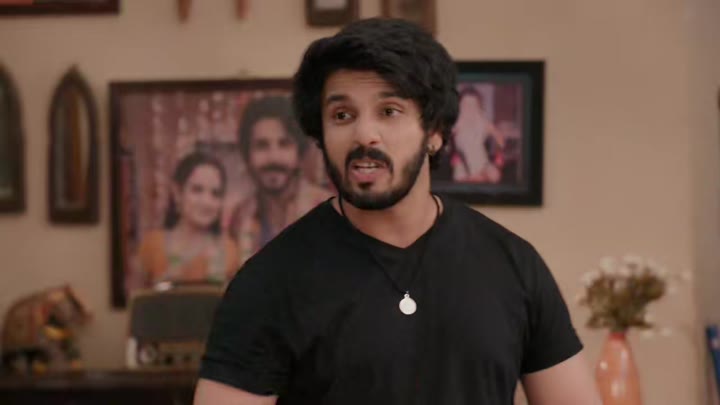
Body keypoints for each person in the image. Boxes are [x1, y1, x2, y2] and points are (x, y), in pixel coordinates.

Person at [194, 18, 600, 405]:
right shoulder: (267, 284)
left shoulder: (513, 264)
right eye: (342, 115)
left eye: (389, 111)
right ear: (321, 135)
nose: (364, 135)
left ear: (434, 132)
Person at [228, 95, 332, 266]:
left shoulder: (328, 211)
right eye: (262, 145)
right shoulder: (240, 216)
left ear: (299, 153)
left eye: (284, 144)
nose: (273, 158)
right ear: (248, 156)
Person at [138, 151, 238, 286]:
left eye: (215, 194)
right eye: (197, 190)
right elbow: (135, 297)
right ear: (177, 192)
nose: (207, 202)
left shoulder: (229, 251)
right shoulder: (153, 246)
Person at [451, 86, 506, 183]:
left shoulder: (482, 121)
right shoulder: (458, 122)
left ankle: (478, 177)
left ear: (479, 106)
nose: (469, 109)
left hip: (482, 162)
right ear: (459, 106)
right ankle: (475, 178)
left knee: (495, 175)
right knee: (459, 177)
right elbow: (446, 135)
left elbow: (499, 136)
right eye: (465, 105)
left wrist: (499, 152)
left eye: (473, 105)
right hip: (463, 162)